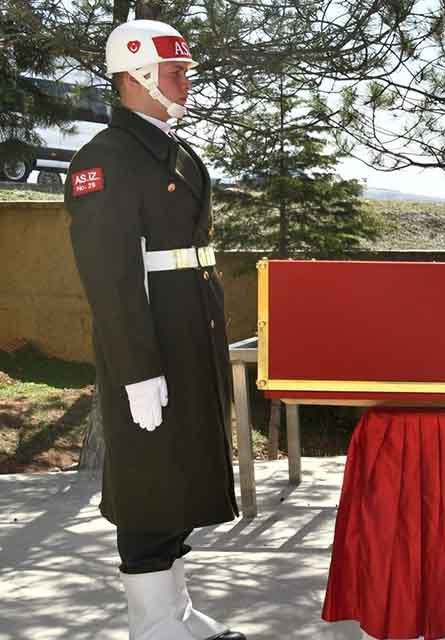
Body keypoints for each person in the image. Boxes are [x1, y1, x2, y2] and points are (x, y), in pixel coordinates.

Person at [65, 19, 245, 640]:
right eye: (175, 73)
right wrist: (138, 370)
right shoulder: (106, 159)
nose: (186, 83)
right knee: (150, 478)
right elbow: (110, 278)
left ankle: (177, 612)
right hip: (150, 342)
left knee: (182, 470)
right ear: (137, 76)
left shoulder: (173, 149)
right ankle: (150, 623)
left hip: (190, 332)